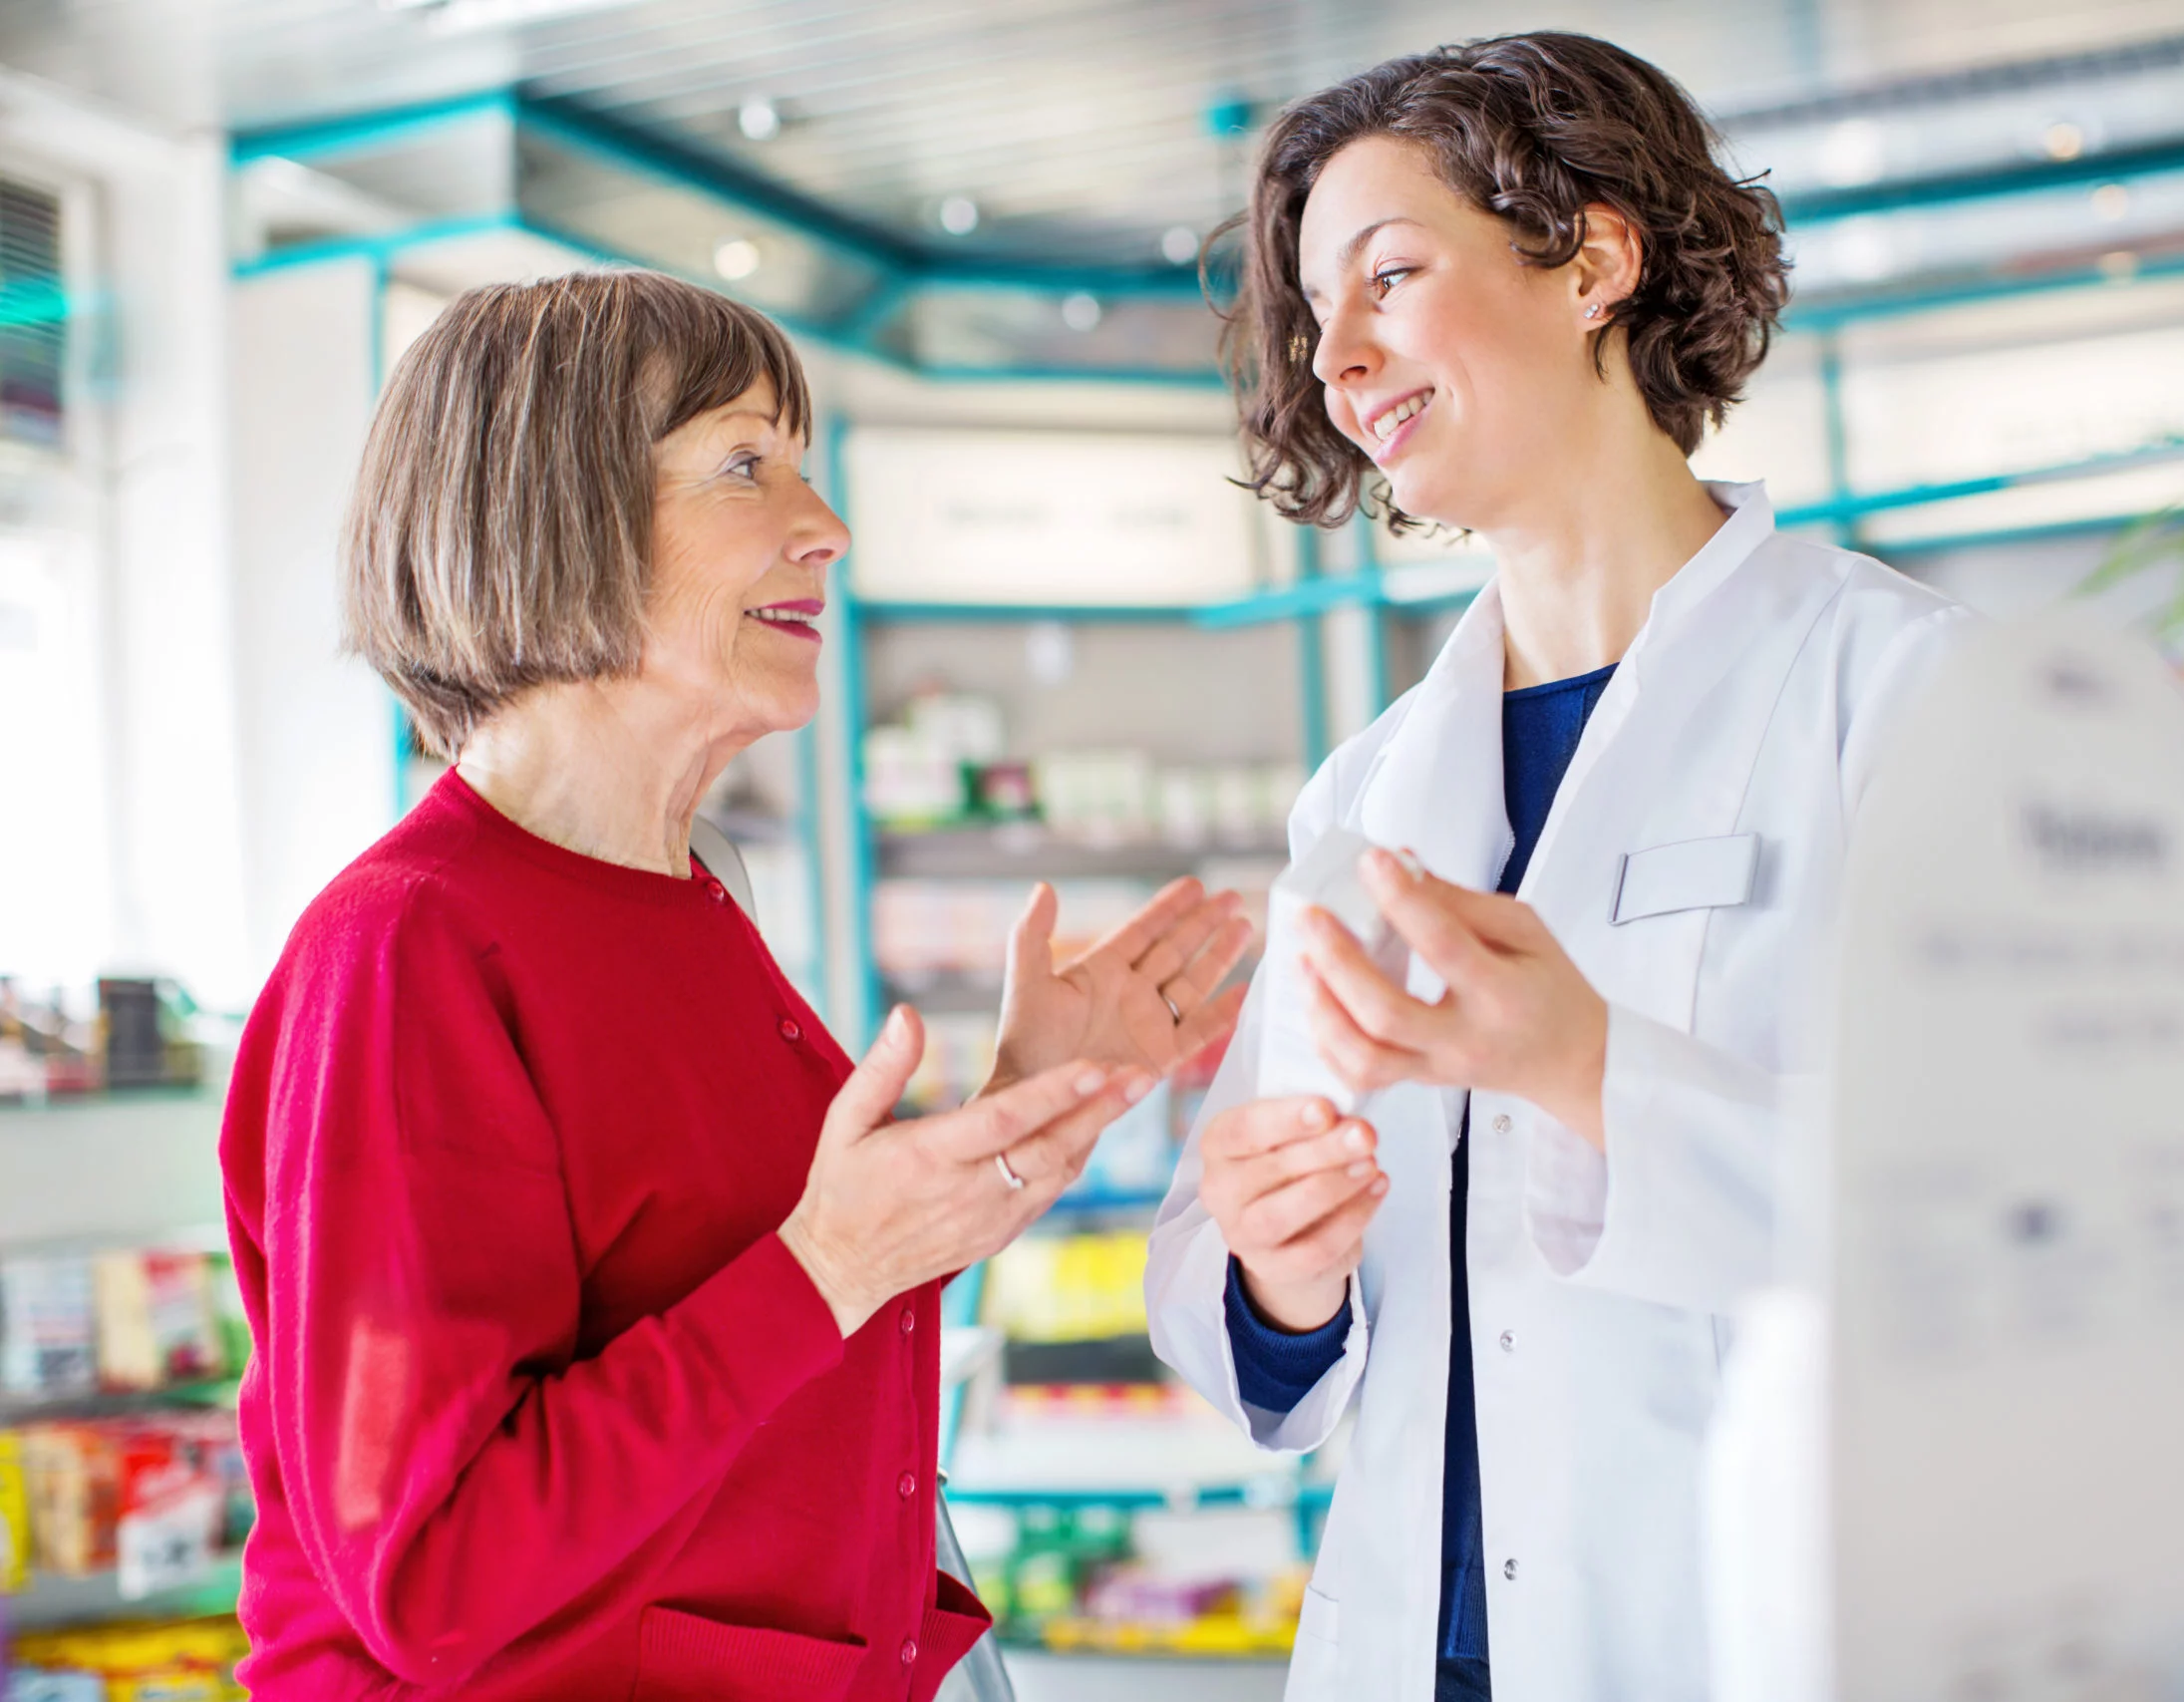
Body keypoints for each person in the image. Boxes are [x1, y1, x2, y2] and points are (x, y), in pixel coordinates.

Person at [219, 271, 1251, 1701]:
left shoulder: (692, 903)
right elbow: (431, 1571)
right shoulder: (405, 951)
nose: (824, 530)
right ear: (552, 511)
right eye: (745, 465)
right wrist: (828, 1264)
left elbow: (747, 1308)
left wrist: (1017, 1115)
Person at [1145, 32, 1967, 1702]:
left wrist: (1597, 1075)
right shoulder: (1368, 795)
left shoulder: (1897, 695)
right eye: (1316, 314)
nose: (1340, 357)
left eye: (1391, 276)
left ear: (1593, 258)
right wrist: (1274, 1278)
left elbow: (2011, 1232)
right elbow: (1212, 1259)